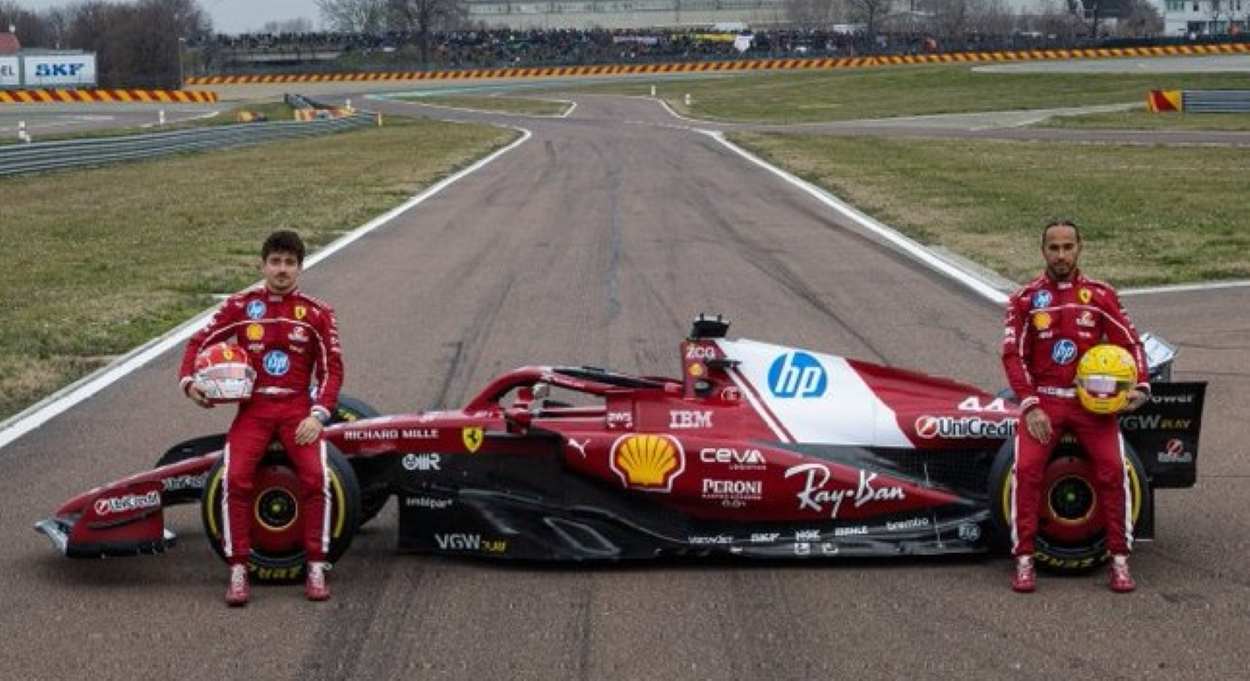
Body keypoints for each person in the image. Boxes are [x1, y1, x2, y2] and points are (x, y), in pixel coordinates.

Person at [179, 230, 344, 606]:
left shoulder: (317, 313)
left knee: (316, 479)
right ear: (263, 265)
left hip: (297, 410)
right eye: (275, 262)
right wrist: (189, 383)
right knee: (235, 480)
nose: (282, 270)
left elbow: (333, 371)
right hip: (253, 411)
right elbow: (195, 343)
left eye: (289, 263)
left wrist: (318, 415)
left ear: (300, 268)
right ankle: (238, 569)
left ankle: (316, 565)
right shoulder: (240, 306)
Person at [1001, 220, 1150, 594]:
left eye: (1068, 247)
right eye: (1054, 248)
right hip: (1045, 402)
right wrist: (1031, 405)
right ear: (1043, 251)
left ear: (1080, 248)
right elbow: (1012, 356)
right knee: (1028, 471)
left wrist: (1141, 385)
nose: (1062, 255)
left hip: (1093, 404)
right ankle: (1024, 560)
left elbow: (1131, 344)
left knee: (1114, 470)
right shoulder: (1024, 298)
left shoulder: (1101, 294)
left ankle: (1119, 561)